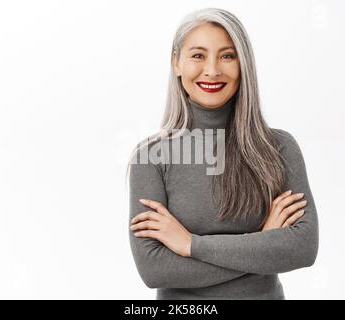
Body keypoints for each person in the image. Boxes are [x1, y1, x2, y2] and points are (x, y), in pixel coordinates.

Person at [126, 7, 319, 300]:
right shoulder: (151, 157)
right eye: (198, 55)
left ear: (243, 65)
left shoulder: (278, 148)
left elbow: (303, 248)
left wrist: (191, 244)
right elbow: (154, 270)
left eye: (227, 56)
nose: (212, 70)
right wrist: (264, 245)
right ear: (176, 63)